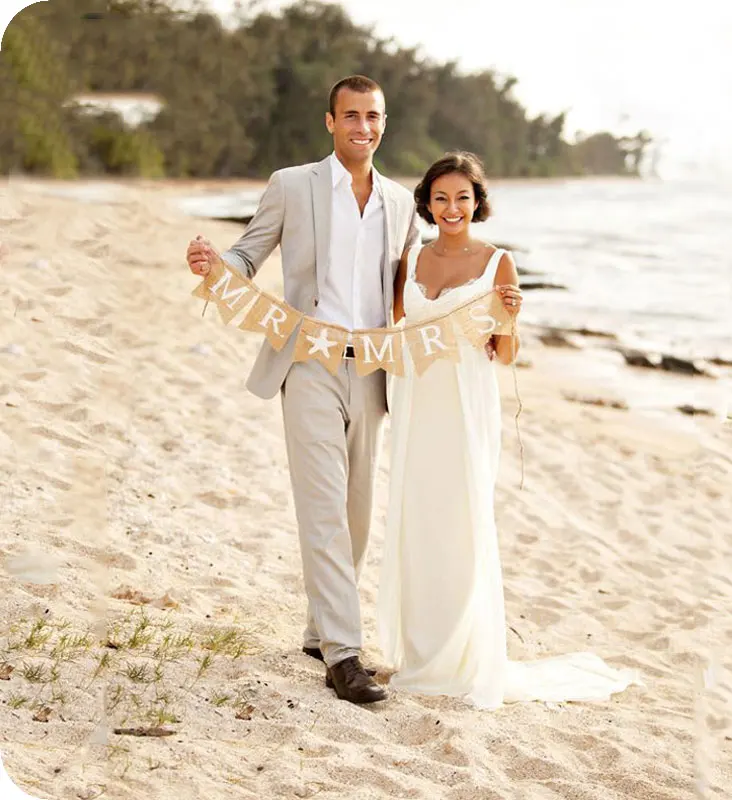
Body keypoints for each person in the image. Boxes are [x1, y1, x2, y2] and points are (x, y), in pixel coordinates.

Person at [186, 75, 420, 704]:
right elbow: (247, 252)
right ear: (330, 121)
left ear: (383, 122)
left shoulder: (400, 203)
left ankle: (319, 629)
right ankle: (345, 654)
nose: (362, 127)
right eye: (350, 115)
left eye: (372, 116)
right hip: (308, 362)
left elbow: (413, 290)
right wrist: (216, 266)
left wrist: (482, 306)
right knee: (322, 507)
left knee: (356, 513)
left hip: (372, 368)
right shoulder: (293, 185)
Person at [378, 152, 639, 709]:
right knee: (416, 515)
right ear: (426, 202)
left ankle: (462, 655)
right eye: (442, 197)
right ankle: (419, 652)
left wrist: (511, 321)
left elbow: (504, 354)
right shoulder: (410, 260)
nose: (452, 208)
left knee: (461, 519)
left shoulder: (499, 262)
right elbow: (395, 331)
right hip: (417, 400)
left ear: (478, 203)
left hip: (467, 403)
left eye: (463, 198)